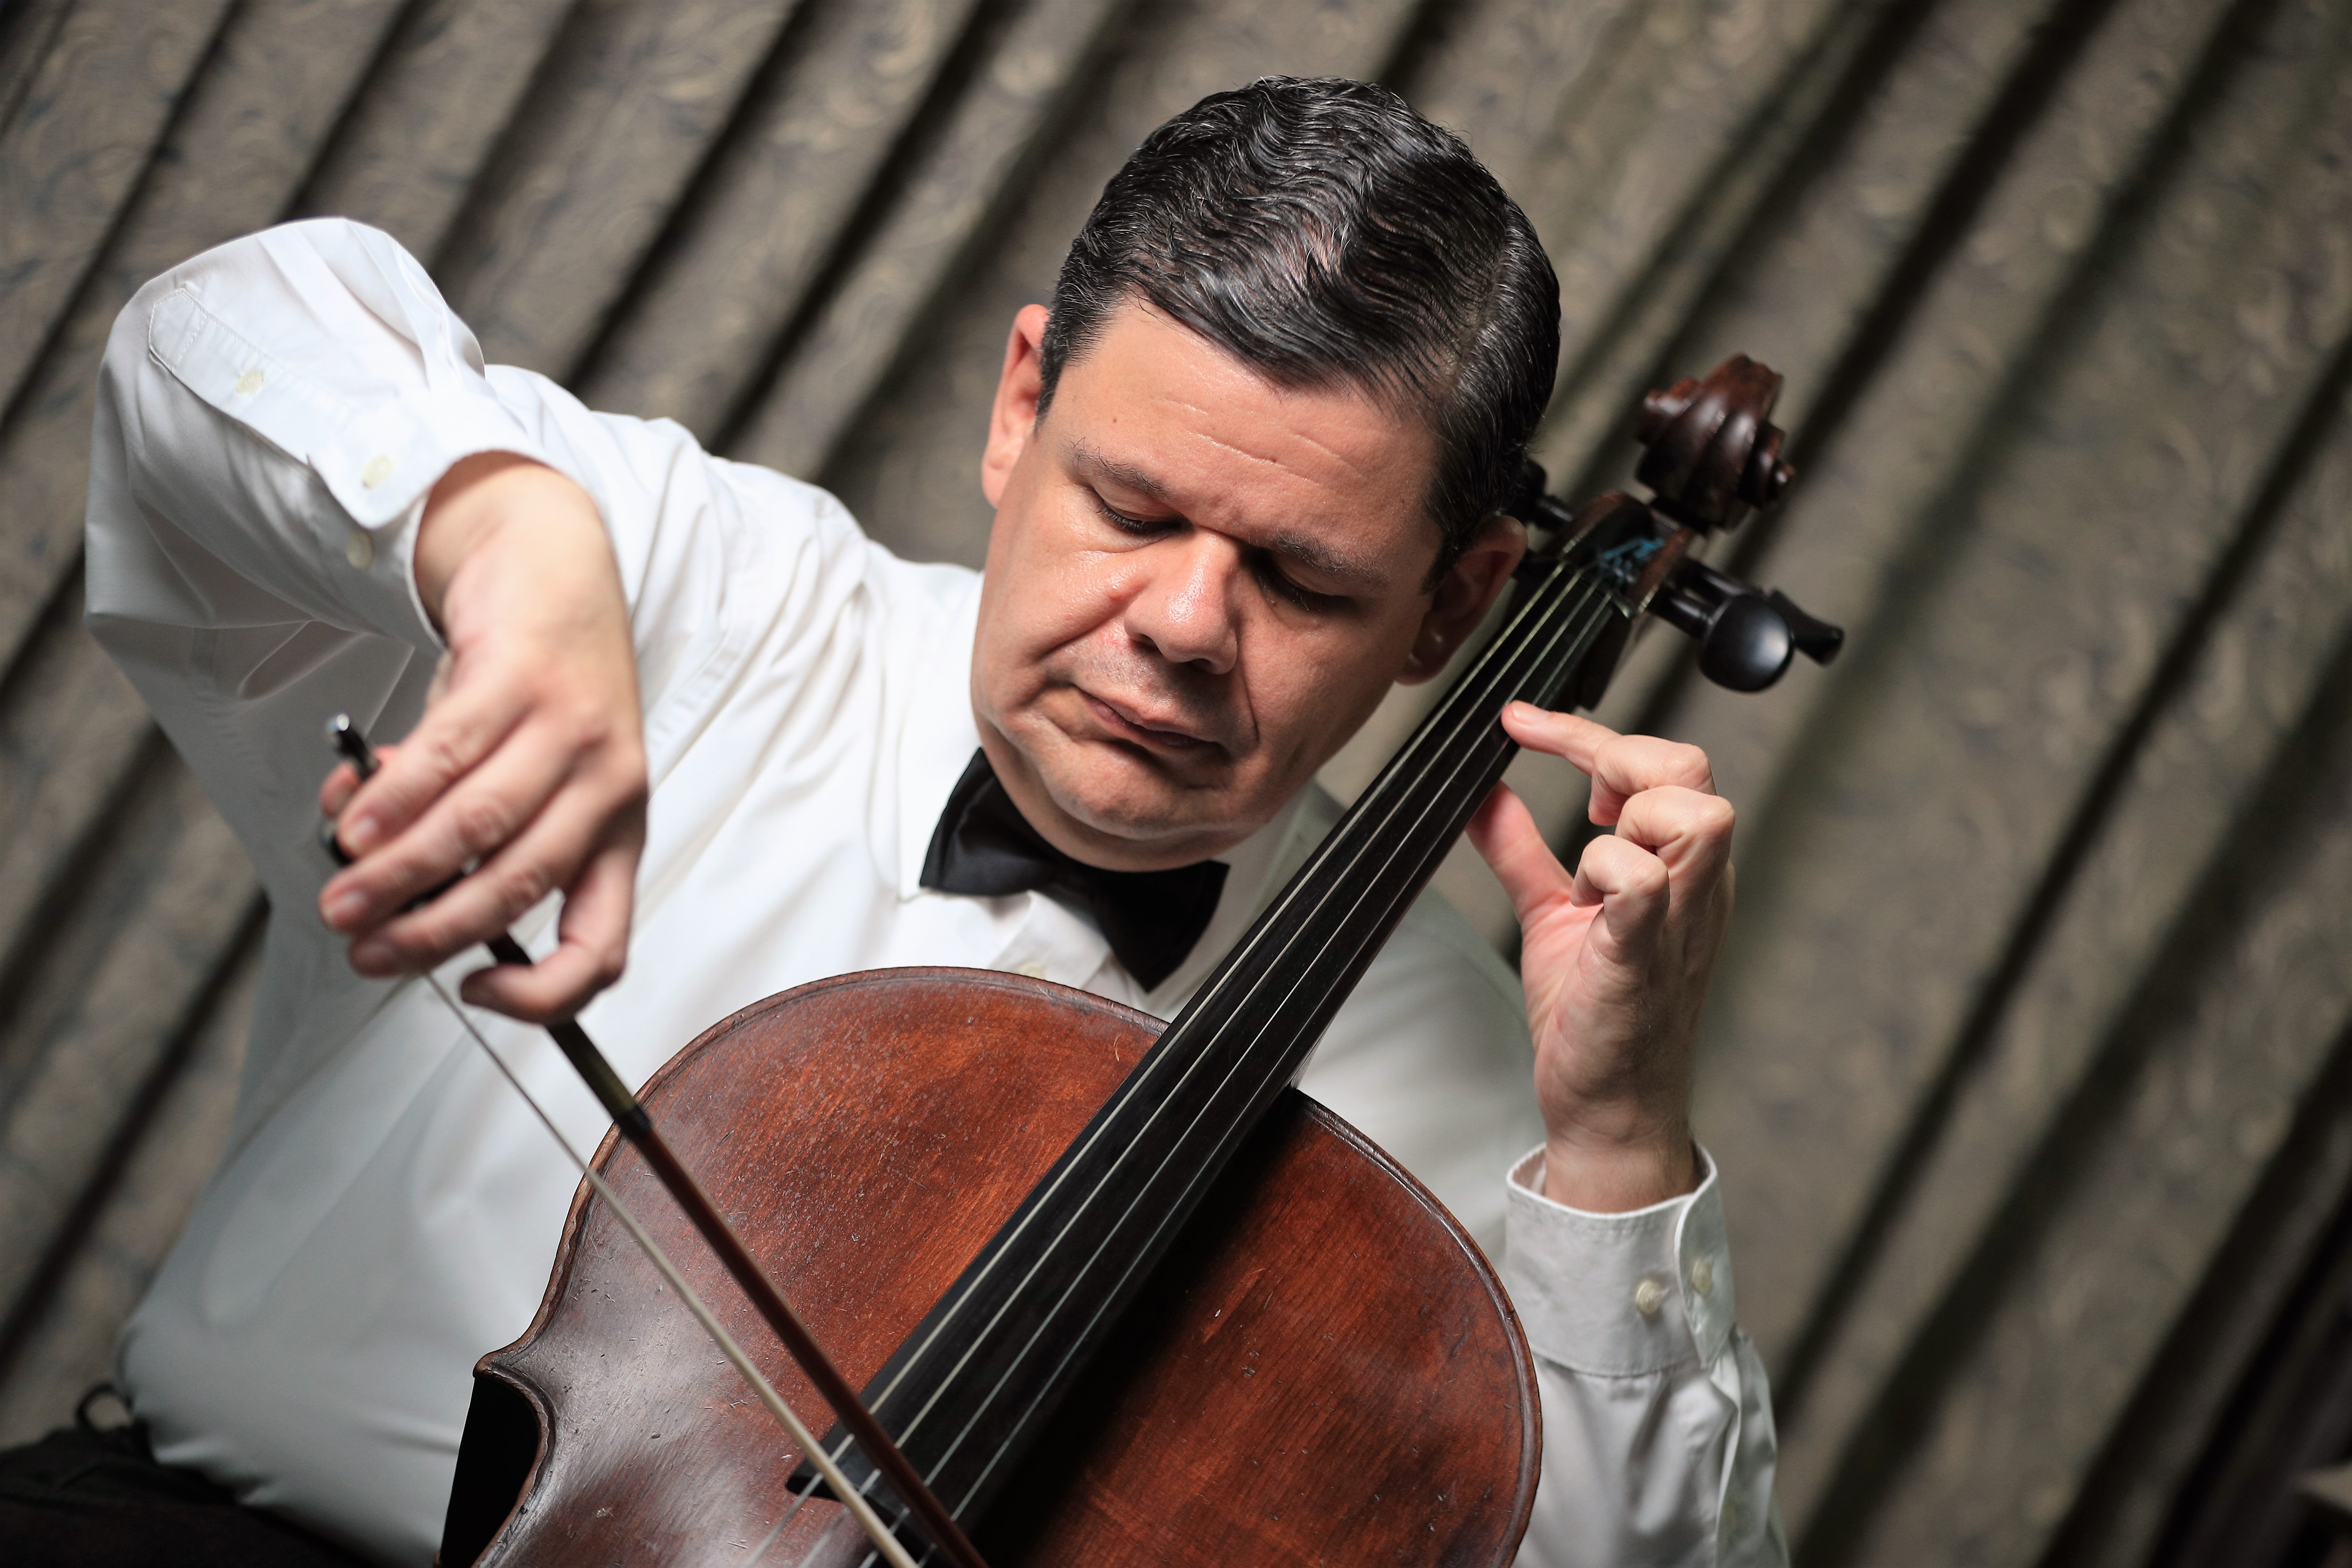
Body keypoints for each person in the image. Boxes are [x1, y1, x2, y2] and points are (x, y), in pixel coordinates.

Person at [57, 76, 1779, 1567]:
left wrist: (1621, 1147)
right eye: (1131, 502)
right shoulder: (693, 589)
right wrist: (505, 539)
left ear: (1456, 603)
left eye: (1300, 579)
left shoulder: (1473, 1087)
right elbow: (214, 335)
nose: (1185, 623)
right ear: (1022, 404)